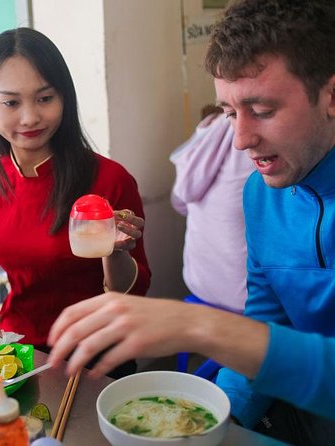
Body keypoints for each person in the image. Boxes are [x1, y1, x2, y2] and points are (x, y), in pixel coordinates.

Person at [49, 0, 335, 443]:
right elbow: (270, 322)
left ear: (330, 96)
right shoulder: (261, 195)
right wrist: (220, 422)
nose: (240, 139)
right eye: (228, 112)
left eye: (262, 110)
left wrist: (199, 325)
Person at [0, 28, 150, 377]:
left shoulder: (109, 180)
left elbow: (133, 290)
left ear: (64, 98)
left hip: (98, 352)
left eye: (44, 98)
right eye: (11, 102)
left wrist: (116, 250)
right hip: (19, 351)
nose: (30, 118)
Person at [170, 108, 254, 313]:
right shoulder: (258, 144)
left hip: (200, 288)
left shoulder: (210, 129)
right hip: (247, 302)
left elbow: (179, 201)